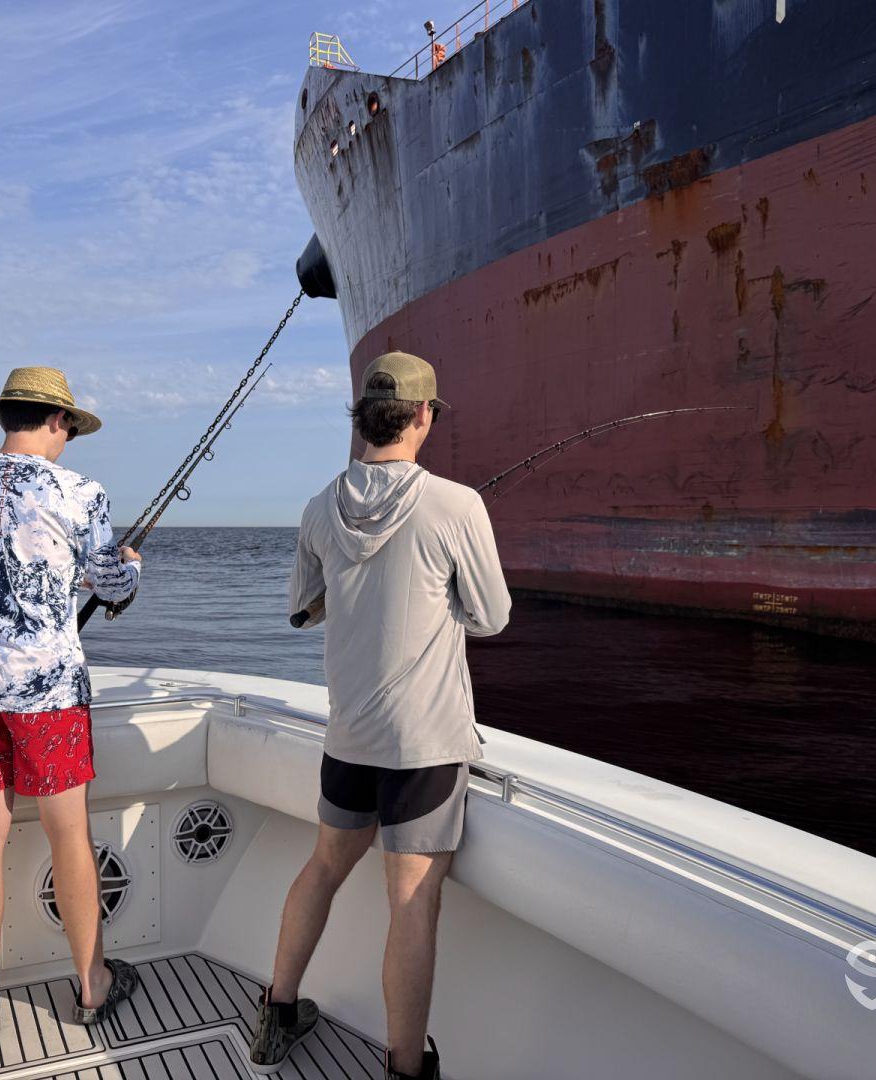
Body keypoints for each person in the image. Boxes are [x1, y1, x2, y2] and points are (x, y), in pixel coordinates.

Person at [251, 352, 512, 1079]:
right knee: (412, 904)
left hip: (349, 738)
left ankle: (276, 1010)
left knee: (324, 867)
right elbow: (492, 616)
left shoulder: (317, 507)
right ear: (424, 417)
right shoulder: (457, 506)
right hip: (425, 747)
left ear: (360, 419)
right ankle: (404, 1067)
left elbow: (303, 609)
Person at [0, 366, 142, 1044]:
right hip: (48, 695)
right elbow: (109, 579)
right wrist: (131, 569)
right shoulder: (80, 491)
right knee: (68, 837)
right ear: (56, 422)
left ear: (6, 418)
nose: (68, 441)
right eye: (70, 430)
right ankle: (91, 985)